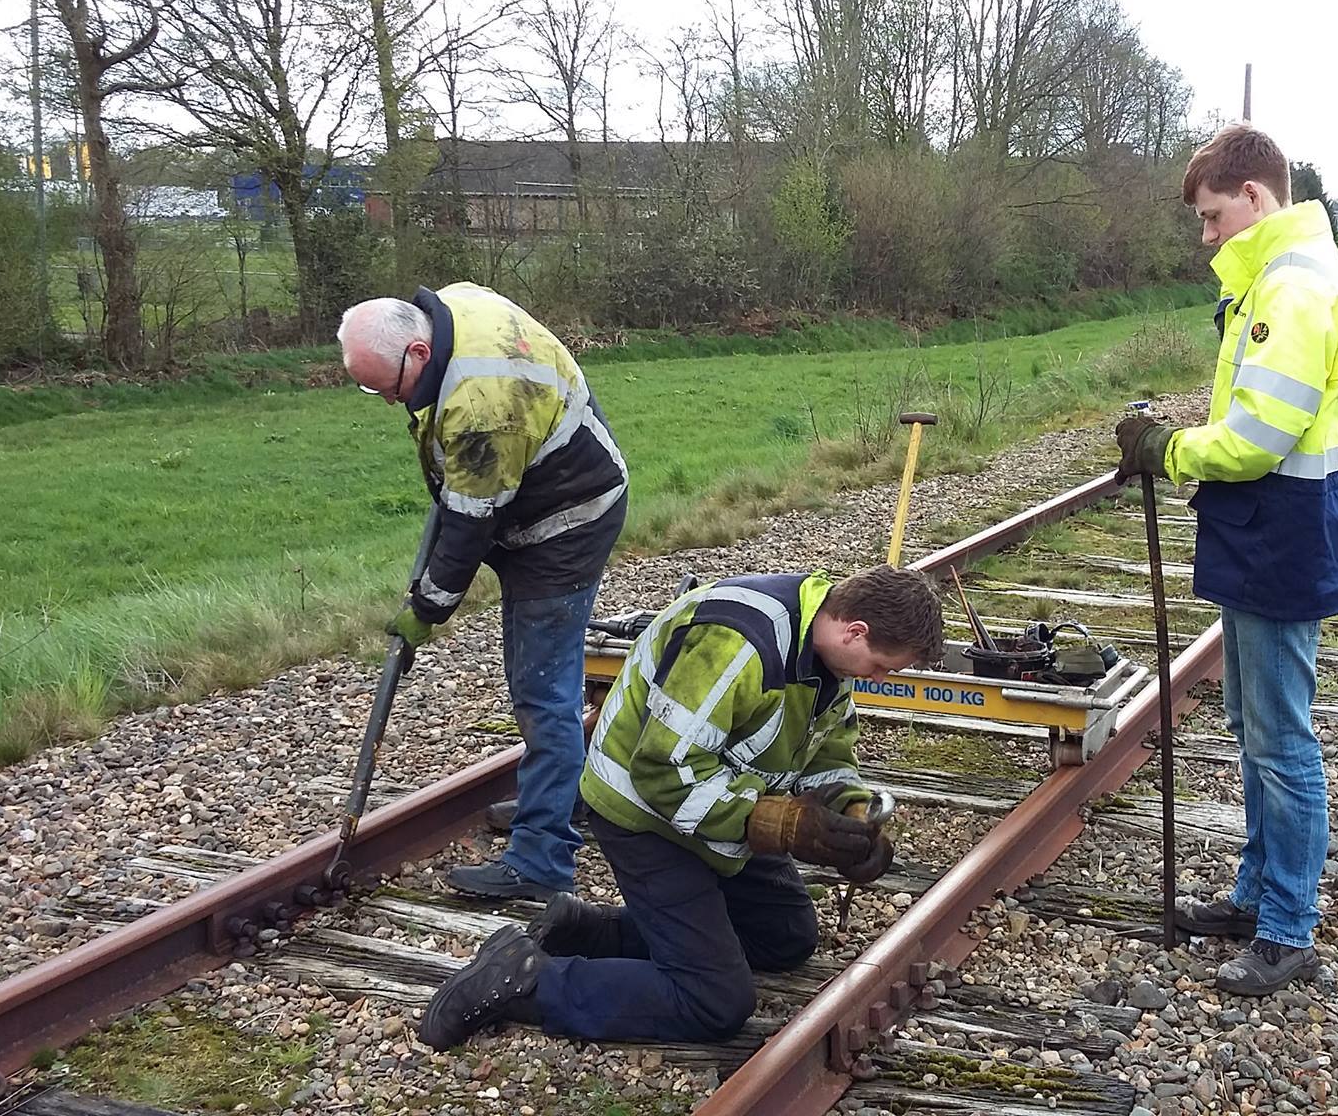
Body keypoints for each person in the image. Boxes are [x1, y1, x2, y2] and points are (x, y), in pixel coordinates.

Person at [416, 564, 942, 1050]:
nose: (874, 678)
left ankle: (590, 931)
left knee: (784, 938)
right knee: (713, 1001)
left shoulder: (824, 656)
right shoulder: (740, 642)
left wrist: (850, 816)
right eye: (879, 665)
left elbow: (825, 751)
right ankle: (522, 979)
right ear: (857, 631)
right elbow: (662, 772)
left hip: (722, 801)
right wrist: (779, 823)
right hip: (646, 814)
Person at [1113, 124, 1338, 996]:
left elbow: (1256, 437)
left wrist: (1171, 450)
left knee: (1281, 740)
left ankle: (1288, 928)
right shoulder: (1288, 275)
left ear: (1255, 198)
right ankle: (1259, 897)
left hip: (1277, 525)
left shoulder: (1291, 287)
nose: (1207, 235)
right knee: (1254, 731)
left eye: (1214, 216)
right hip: (1270, 523)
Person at [339, 282, 628, 902]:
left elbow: (471, 522)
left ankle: (542, 860)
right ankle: (566, 796)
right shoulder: (451, 306)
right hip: (534, 486)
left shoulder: (481, 408)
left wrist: (426, 608)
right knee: (545, 683)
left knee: (542, 691)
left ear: (418, 351)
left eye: (385, 385)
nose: (388, 401)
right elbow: (467, 499)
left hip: (565, 523)